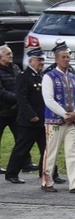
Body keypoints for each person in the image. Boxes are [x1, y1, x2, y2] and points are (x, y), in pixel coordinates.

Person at [41, 42, 75, 194]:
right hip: (54, 121)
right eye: (63, 57)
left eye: (68, 56)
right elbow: (48, 100)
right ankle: (47, 181)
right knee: (51, 152)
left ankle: (74, 183)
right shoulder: (49, 76)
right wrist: (64, 114)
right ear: (56, 59)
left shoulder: (74, 77)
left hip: (72, 120)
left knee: (73, 152)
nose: (67, 59)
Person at [5, 48, 46, 185]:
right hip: (29, 120)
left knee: (46, 148)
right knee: (22, 148)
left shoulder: (41, 76)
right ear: (31, 61)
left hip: (42, 119)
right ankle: (11, 173)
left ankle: (48, 173)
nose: (41, 62)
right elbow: (22, 99)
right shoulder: (23, 76)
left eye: (42, 60)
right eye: (39, 60)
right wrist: (31, 115)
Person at [0, 44, 21, 176]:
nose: (11, 56)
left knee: (22, 138)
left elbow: (21, 84)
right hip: (1, 111)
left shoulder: (15, 68)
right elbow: (1, 92)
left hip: (15, 111)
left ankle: (25, 163)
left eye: (11, 53)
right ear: (0, 57)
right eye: (8, 54)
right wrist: (18, 98)